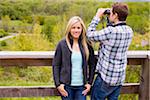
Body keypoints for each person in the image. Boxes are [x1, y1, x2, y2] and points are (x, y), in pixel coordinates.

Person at [86, 2, 133, 100]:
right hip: (119, 78)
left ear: (115, 15)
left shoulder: (110, 32)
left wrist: (97, 16)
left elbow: (89, 34)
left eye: (111, 12)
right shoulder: (129, 31)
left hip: (105, 78)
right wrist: (110, 18)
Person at [52, 16, 96, 100]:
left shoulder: (87, 44)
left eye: (78, 28)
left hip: (81, 87)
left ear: (82, 29)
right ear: (69, 29)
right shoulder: (62, 44)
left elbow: (92, 64)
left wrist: (90, 83)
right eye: (73, 28)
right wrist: (58, 84)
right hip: (66, 86)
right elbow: (56, 65)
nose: (76, 30)